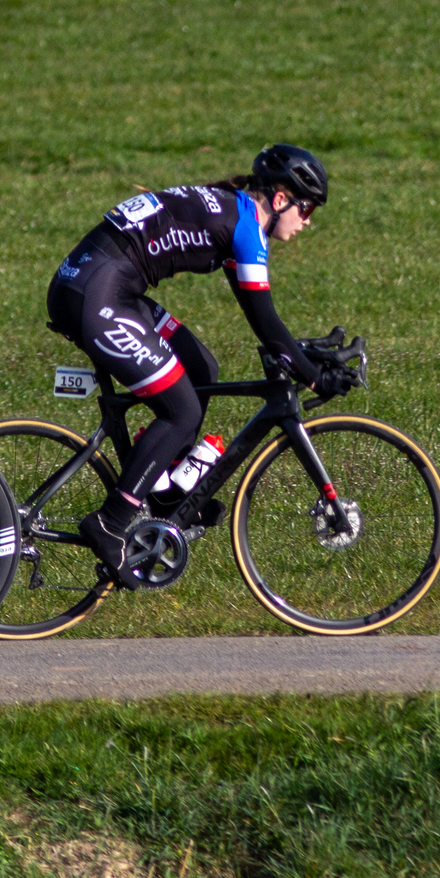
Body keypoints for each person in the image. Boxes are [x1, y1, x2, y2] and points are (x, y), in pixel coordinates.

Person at [46, 143, 353, 584]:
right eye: (307, 209)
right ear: (281, 199)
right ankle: (111, 522)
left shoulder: (237, 213)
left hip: (107, 286)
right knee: (183, 409)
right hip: (97, 294)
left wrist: (302, 355)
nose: (309, 222)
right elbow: (264, 320)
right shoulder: (247, 226)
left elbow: (262, 321)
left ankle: (167, 494)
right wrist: (312, 374)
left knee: (201, 370)